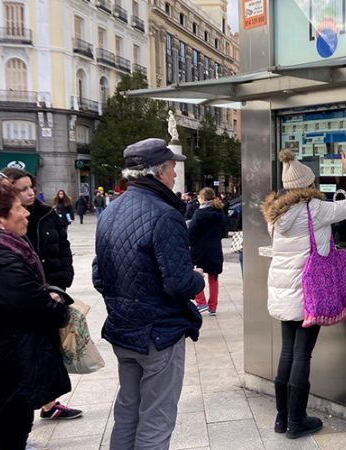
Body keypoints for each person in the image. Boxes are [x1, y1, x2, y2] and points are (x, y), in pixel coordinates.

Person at [93, 137, 205, 450]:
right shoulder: (165, 215)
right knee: (156, 420)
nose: (174, 176)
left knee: (127, 412)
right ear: (157, 172)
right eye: (171, 169)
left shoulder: (110, 212)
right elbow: (178, 283)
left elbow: (99, 276)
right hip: (159, 334)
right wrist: (197, 280)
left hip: (123, 330)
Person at [0, 180, 72, 449]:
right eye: (18, 208)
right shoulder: (0, 261)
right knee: (11, 433)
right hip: (9, 367)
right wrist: (55, 301)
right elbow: (44, 312)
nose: (26, 212)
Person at [260, 149, 346, 439]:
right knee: (302, 355)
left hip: (284, 290)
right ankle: (297, 421)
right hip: (308, 292)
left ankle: (282, 419)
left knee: (287, 352)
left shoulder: (276, 213)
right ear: (308, 186)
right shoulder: (313, 209)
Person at [0, 168, 81, 421]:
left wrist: (64, 276)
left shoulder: (47, 214)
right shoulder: (4, 222)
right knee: (29, 351)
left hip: (52, 288)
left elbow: (63, 245)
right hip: (24, 293)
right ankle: (33, 406)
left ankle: (49, 403)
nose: (30, 192)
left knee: (48, 348)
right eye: (22, 188)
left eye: (30, 186)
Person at [188, 187, 227, 316]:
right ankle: (213, 307)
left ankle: (201, 302)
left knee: (198, 274)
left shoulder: (199, 214)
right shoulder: (220, 213)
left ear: (203, 198)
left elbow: (191, 232)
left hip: (199, 249)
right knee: (214, 277)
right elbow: (223, 232)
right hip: (215, 248)